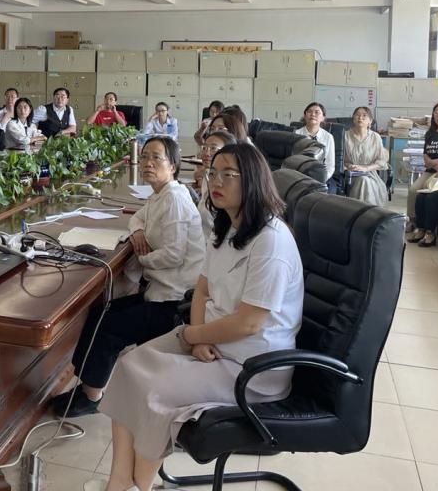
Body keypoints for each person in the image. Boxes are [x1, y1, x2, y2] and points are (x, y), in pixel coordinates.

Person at [94, 143, 303, 491]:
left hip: (251, 365)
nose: (216, 181)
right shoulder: (228, 228)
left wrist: (193, 336)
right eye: (213, 173)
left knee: (154, 391)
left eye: (228, 174)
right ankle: (119, 482)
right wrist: (198, 334)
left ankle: (139, 485)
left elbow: (249, 323)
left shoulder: (271, 241)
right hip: (213, 340)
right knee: (129, 366)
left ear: (252, 180)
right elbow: (202, 290)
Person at [50, 136, 205, 418]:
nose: (148, 163)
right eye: (145, 157)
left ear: (173, 166)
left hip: (174, 302)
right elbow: (137, 218)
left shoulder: (174, 199)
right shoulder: (161, 194)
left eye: (156, 158)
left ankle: (92, 396)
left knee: (108, 324)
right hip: (159, 290)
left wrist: (143, 259)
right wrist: (137, 232)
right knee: (100, 313)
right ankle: (88, 388)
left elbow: (173, 256)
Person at [406, 102, 438, 231]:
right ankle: (413, 220)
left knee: (429, 192)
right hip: (430, 170)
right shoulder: (430, 133)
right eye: (436, 113)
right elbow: (425, 154)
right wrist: (430, 162)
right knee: (413, 190)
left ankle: (430, 226)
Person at [193, 130, 237, 238]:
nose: (206, 153)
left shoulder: (231, 185)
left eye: (213, 148)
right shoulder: (208, 175)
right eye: (204, 148)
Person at [343, 106, 390, 206]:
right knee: (363, 181)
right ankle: (368, 212)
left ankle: (361, 211)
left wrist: (366, 168)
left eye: (364, 115)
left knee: (365, 181)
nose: (360, 118)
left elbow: (381, 161)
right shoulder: (345, 136)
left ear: (370, 121)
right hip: (350, 175)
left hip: (370, 174)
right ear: (353, 118)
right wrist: (349, 167)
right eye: (357, 115)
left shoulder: (375, 137)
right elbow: (339, 159)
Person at [295, 102, 336, 192]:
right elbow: (293, 160)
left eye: (317, 112)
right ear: (305, 115)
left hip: (322, 175)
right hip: (301, 174)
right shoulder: (296, 134)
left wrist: (322, 178)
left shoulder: (328, 137)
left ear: (323, 117)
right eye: (309, 112)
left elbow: (330, 164)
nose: (313, 114)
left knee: (331, 190)